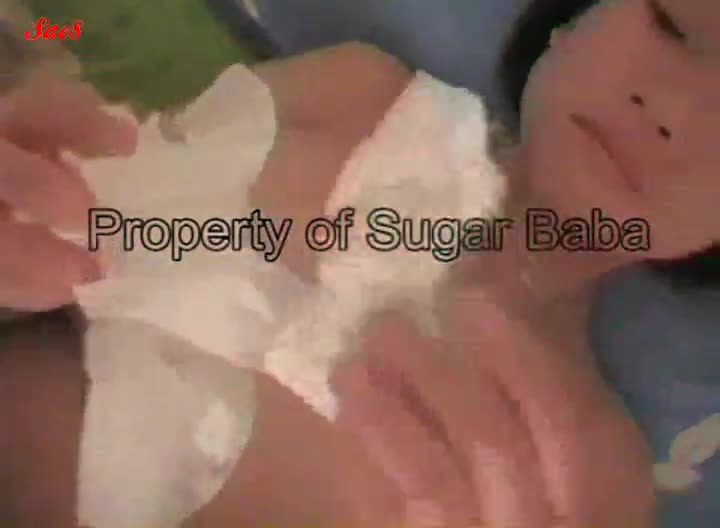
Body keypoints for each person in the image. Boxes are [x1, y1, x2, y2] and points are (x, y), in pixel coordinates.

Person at [2, 0, 719, 526]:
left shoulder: (588, 472)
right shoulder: (355, 92)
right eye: (672, 23)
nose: (675, 110)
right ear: (572, 21)